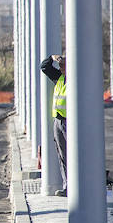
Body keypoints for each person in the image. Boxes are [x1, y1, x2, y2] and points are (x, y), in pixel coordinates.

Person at [42, 53, 67, 195]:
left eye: (64, 65)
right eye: (60, 65)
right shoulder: (59, 77)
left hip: (70, 122)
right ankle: (67, 186)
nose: (61, 68)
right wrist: (53, 57)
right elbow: (44, 67)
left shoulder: (75, 79)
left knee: (73, 155)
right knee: (62, 155)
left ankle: (77, 186)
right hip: (58, 121)